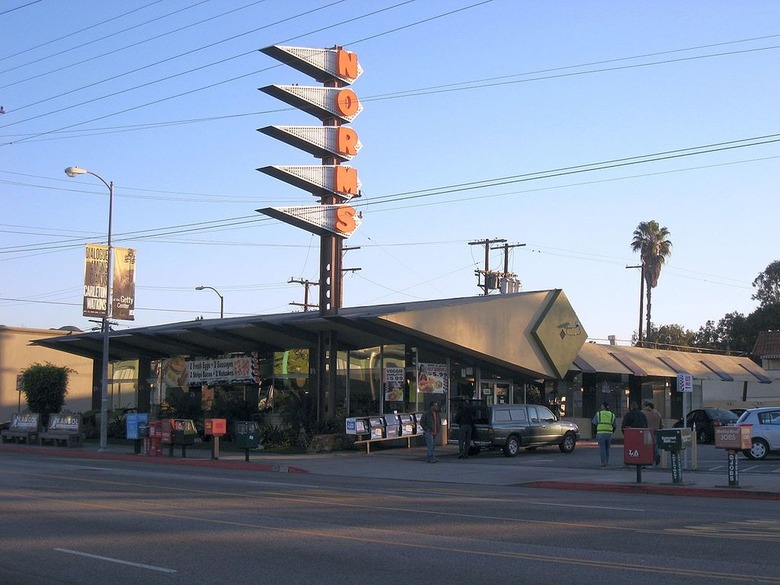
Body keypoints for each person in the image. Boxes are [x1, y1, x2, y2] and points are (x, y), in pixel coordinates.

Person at [592, 401, 616, 466]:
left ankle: (603, 462)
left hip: (600, 433)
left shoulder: (598, 414)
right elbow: (615, 426)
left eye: (601, 405)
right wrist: (611, 431)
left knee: (602, 448)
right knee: (607, 448)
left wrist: (595, 432)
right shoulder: (612, 415)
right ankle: (607, 461)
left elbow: (594, 424)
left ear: (603, 406)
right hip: (609, 433)